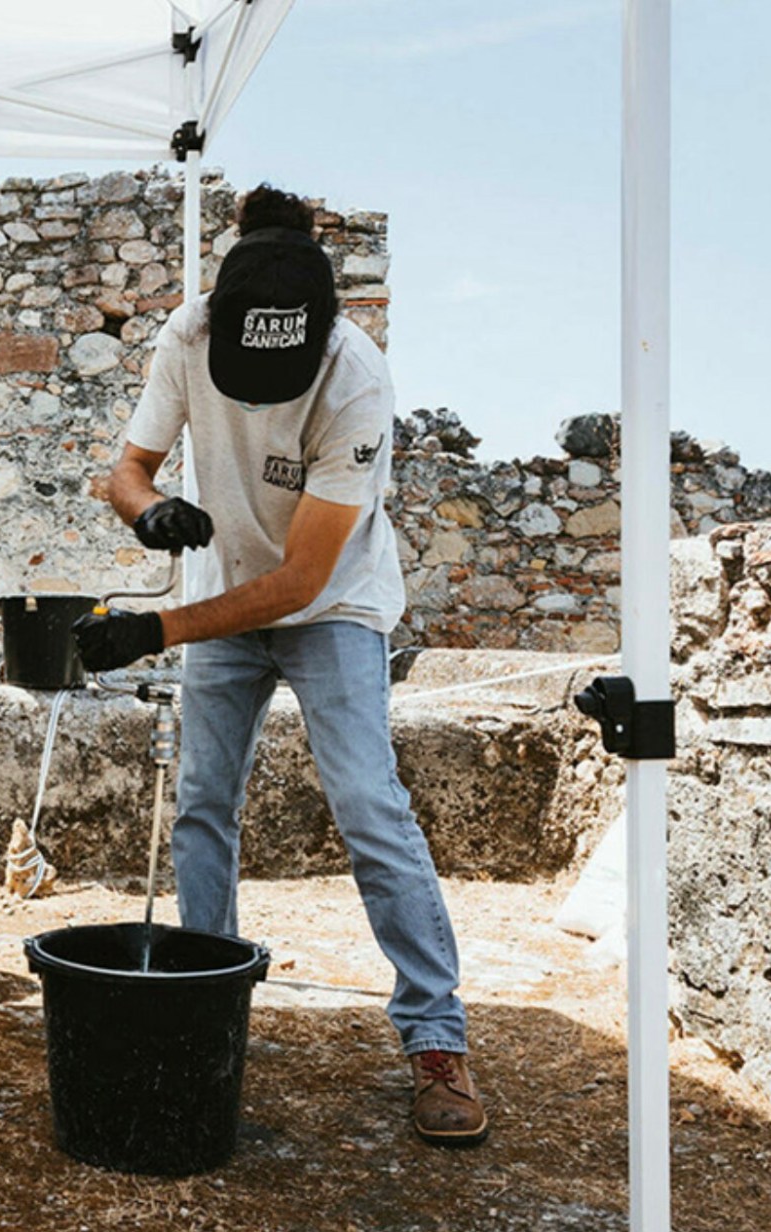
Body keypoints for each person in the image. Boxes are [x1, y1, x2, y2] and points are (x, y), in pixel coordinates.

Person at [74, 186, 488, 1146]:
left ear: (323, 332)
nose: (259, 398)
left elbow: (302, 580)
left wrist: (158, 630)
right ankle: (208, 1003)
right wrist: (150, 513)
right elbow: (125, 470)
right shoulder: (186, 337)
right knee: (202, 805)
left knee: (367, 805)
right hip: (221, 592)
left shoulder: (357, 381)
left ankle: (436, 1038)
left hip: (331, 606)